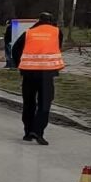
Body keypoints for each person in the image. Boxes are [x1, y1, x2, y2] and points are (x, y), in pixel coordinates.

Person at [13, 13, 64, 145]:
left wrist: (20, 65)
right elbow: (58, 47)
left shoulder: (29, 33)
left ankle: (28, 132)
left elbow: (15, 49)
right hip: (46, 74)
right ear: (51, 21)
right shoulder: (57, 32)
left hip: (29, 73)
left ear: (38, 21)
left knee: (29, 103)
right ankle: (38, 131)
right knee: (44, 103)